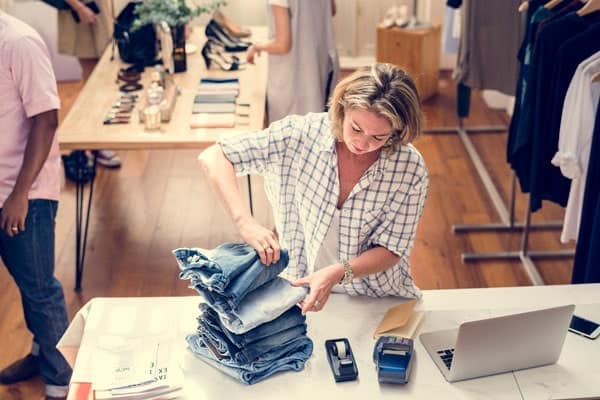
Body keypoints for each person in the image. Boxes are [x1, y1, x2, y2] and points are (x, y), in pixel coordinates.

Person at [199, 63, 429, 315]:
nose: (362, 143)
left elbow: (392, 249)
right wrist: (246, 223)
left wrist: (338, 273)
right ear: (342, 108)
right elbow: (215, 156)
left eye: (378, 137)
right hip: (300, 291)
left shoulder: (409, 167)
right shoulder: (299, 135)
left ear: (396, 132)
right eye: (356, 128)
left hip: (376, 297)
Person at [0, 11, 72, 400]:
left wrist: (19, 193)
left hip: (24, 192)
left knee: (39, 286)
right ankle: (41, 351)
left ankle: (62, 379)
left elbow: (46, 119)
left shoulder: (18, 42)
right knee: (25, 282)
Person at [246, 0, 340, 123]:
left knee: (290, 131)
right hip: (320, 62)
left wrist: (257, 46)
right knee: (316, 124)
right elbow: (331, 10)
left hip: (294, 73)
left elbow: (282, 45)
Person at [60, 0, 122, 168]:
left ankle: (98, 139)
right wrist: (79, 7)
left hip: (98, 10)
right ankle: (94, 144)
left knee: (104, 79)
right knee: (93, 83)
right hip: (83, 13)